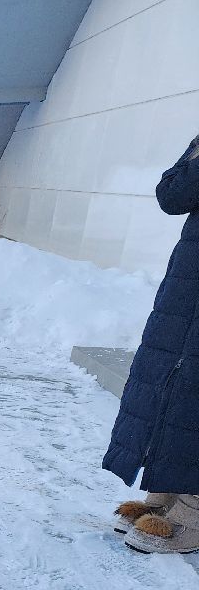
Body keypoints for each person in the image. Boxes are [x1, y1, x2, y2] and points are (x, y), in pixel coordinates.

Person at [104, 134, 199, 555]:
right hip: (188, 282)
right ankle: (165, 493)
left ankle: (194, 508)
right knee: (175, 380)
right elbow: (172, 195)